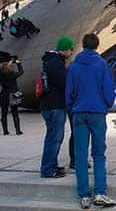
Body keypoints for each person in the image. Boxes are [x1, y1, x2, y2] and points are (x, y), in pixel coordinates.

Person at [66, 33, 116, 209]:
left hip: (79, 112)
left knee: (80, 154)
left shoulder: (74, 66)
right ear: (97, 45)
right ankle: (100, 192)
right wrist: (107, 104)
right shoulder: (102, 64)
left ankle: (84, 195)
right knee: (99, 154)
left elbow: (69, 92)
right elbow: (109, 90)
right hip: (97, 112)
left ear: (83, 45)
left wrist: (73, 106)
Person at [40, 36, 75, 179]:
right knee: (54, 137)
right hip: (54, 105)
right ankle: (48, 168)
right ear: (65, 50)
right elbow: (65, 83)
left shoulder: (52, 62)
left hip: (50, 105)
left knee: (53, 136)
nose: (72, 52)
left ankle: (51, 165)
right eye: (71, 49)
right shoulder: (55, 64)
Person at [0, 59, 24, 135]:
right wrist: (18, 63)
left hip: (4, 95)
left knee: (4, 114)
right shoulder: (12, 74)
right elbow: (21, 72)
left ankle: (5, 130)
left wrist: (8, 63)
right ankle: (18, 130)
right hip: (13, 95)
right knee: (15, 113)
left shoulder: (0, 75)